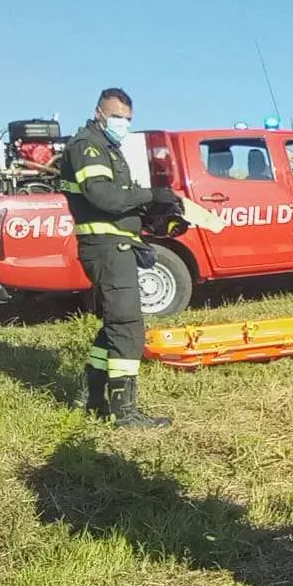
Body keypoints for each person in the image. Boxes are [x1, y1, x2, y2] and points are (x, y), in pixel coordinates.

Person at [62, 87, 183, 428]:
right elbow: (104, 196)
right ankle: (125, 413)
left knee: (115, 324)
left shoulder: (107, 148)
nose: (122, 124)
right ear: (99, 112)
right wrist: (149, 195)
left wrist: (154, 215)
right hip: (107, 248)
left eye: (128, 119)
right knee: (128, 327)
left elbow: (119, 202)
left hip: (118, 244)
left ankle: (92, 396)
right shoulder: (89, 147)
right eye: (117, 117)